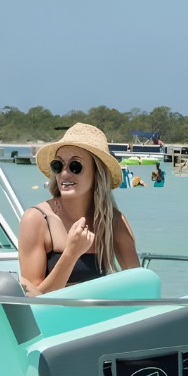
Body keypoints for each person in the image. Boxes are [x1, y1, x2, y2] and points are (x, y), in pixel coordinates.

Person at [18, 123, 140, 295]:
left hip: (100, 318)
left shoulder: (113, 221)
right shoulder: (37, 220)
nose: (65, 174)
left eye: (75, 166)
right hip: (53, 318)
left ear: (97, 172)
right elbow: (32, 300)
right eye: (58, 166)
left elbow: (138, 285)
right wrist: (71, 254)